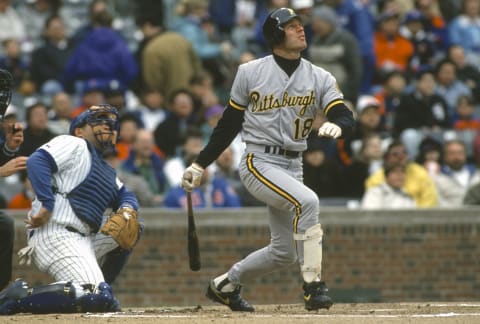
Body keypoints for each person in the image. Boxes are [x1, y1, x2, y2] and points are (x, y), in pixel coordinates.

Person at [181, 7, 354, 312]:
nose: (301, 29)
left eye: (301, 24)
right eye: (291, 26)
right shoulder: (250, 72)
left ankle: (226, 285)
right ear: (275, 34)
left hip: (293, 164)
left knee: (284, 253)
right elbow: (229, 124)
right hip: (258, 160)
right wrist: (200, 163)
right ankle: (313, 286)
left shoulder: (319, 75)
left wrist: (339, 123)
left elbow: (343, 112)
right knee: (309, 202)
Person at [0, 105, 141, 315]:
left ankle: (100, 288)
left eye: (109, 123)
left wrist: (128, 208)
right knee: (94, 297)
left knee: (132, 227)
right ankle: (19, 298)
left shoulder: (106, 170)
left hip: (84, 238)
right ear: (79, 130)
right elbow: (38, 161)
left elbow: (125, 195)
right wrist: (47, 204)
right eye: (98, 121)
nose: (106, 126)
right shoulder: (73, 143)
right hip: (56, 232)